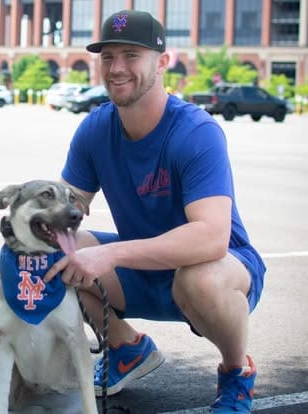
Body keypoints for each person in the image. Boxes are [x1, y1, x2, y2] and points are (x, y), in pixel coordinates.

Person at [44, 9, 266, 414]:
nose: (116, 68)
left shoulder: (195, 132)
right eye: (108, 57)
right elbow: (68, 207)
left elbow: (211, 237)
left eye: (131, 55)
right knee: (54, 254)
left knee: (198, 278)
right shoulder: (95, 128)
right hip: (143, 270)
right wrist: (32, 227)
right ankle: (126, 350)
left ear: (163, 62)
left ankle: (236, 374)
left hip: (218, 271)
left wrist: (110, 253)